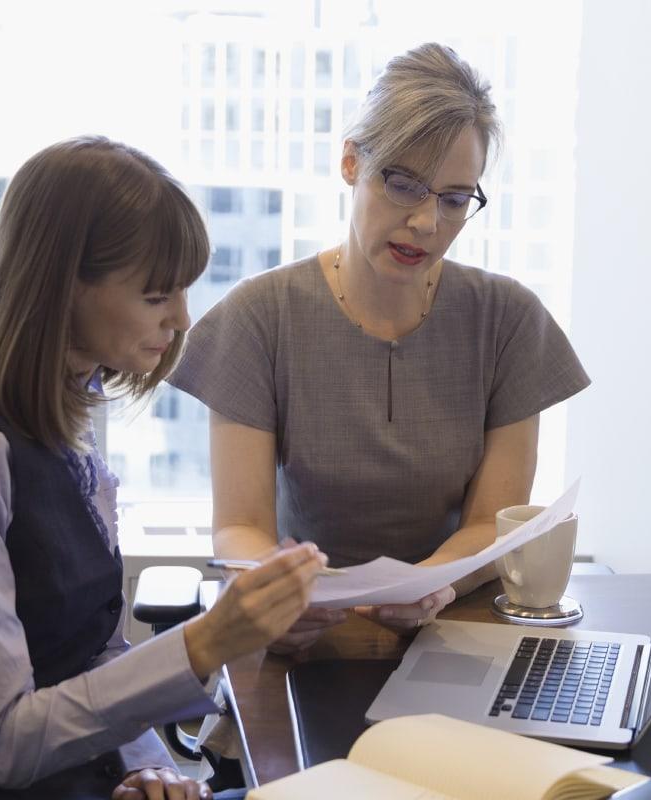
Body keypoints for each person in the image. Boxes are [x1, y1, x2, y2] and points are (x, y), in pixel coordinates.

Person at [0, 136, 323, 800]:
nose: (182, 318)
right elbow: (5, 744)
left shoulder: (59, 422)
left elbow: (90, 657)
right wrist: (205, 642)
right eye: (157, 294)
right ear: (62, 288)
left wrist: (141, 767)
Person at [170, 43, 590, 655]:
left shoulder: (507, 320)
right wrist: (283, 593)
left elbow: (488, 524)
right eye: (403, 184)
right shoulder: (262, 316)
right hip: (305, 641)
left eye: (452, 199)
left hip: (451, 638)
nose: (425, 222)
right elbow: (240, 527)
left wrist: (429, 587)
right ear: (350, 163)